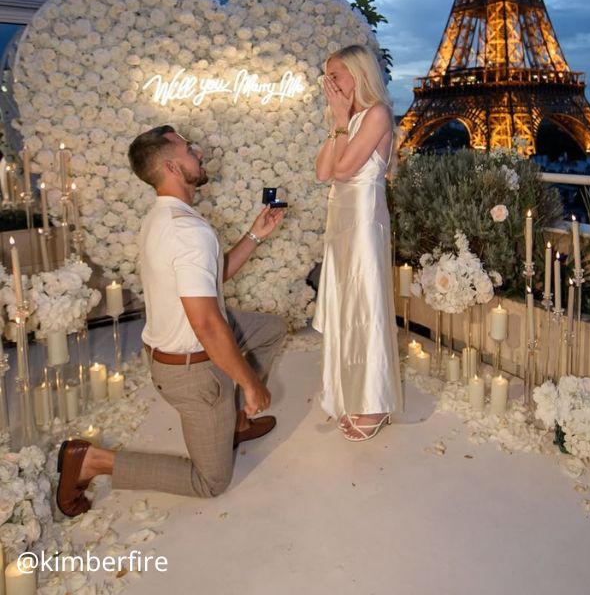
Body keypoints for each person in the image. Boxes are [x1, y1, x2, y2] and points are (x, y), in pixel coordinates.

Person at [56, 125, 286, 516]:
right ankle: (93, 460)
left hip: (175, 355)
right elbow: (208, 326)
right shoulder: (187, 231)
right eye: (188, 149)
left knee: (271, 329)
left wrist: (255, 234)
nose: (198, 151)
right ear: (171, 167)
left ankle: (234, 424)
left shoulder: (165, 216)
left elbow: (216, 275)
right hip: (191, 373)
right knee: (210, 481)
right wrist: (249, 384)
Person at [312, 45, 402, 441]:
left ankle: (375, 403)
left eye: (336, 75)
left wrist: (340, 119)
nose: (330, 83)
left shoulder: (377, 114)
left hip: (364, 223)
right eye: (327, 76)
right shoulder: (347, 120)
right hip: (340, 222)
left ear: (358, 73)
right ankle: (350, 391)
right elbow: (322, 172)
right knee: (345, 308)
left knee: (366, 308)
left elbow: (345, 170)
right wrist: (339, 123)